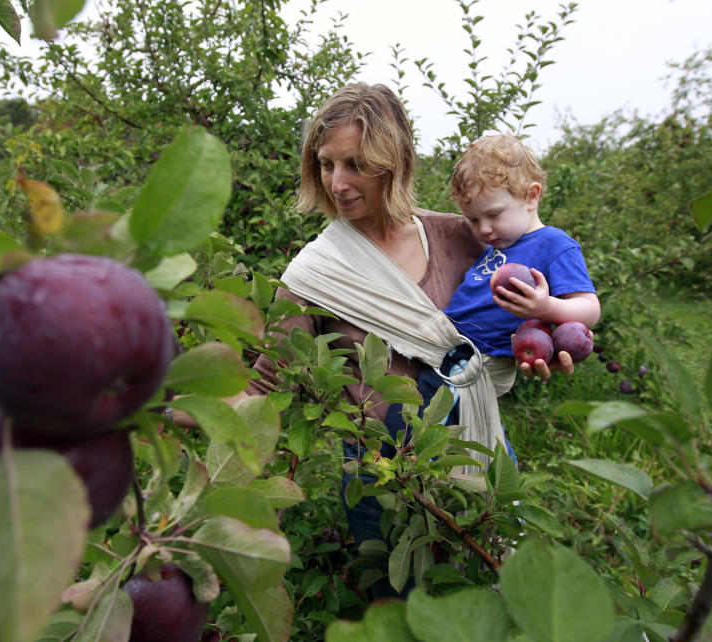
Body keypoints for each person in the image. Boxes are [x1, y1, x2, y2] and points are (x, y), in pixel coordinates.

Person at [175, 84, 573, 598]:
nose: (337, 183)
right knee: (403, 617)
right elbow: (260, 392)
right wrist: (157, 406)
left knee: (514, 604)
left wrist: (547, 343)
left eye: (357, 164)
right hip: (381, 482)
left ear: (396, 161)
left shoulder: (462, 236)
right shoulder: (313, 276)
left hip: (479, 452)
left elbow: (547, 298)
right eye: (325, 164)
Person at [415, 134, 600, 413]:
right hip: (447, 345)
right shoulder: (497, 244)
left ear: (531, 197)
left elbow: (590, 308)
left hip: (477, 360)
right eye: (474, 220)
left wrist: (546, 307)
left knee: (425, 424)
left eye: (493, 215)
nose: (483, 229)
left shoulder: (555, 244)